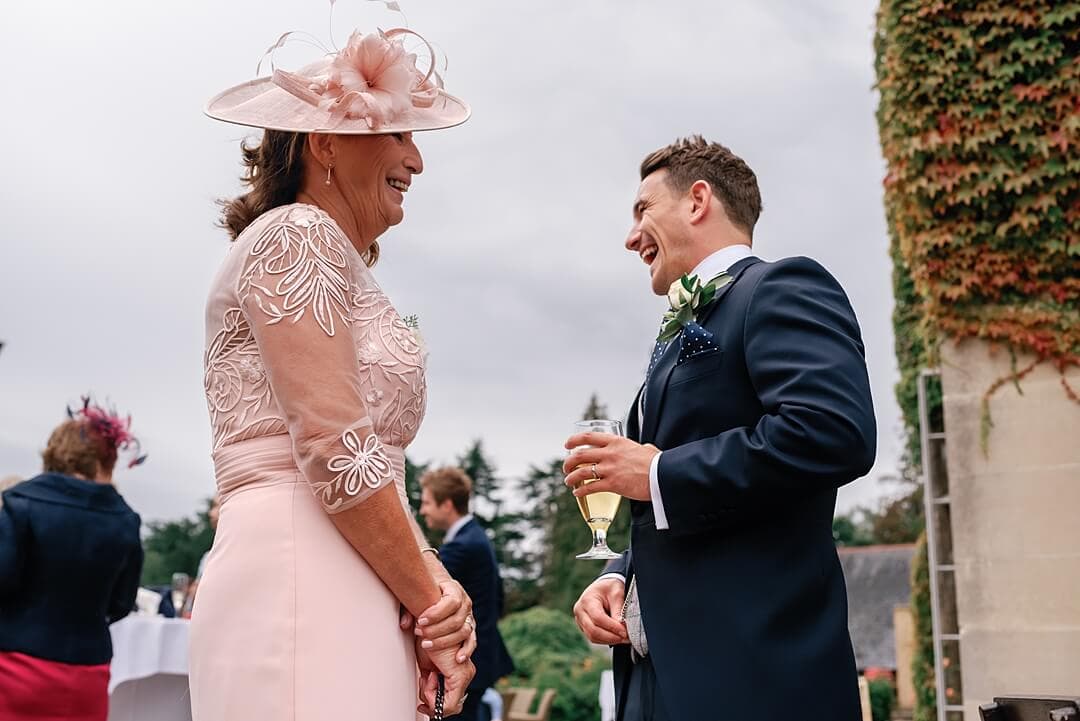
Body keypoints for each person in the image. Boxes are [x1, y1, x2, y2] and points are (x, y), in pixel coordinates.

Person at [192, 16, 476, 721]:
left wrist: (424, 583)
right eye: (400, 133)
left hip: (350, 564)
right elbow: (336, 445)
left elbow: (369, 461)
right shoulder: (298, 233)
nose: (418, 159)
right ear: (325, 142)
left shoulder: (330, 254)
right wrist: (435, 597)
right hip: (302, 567)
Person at [566, 136, 876, 721]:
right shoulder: (680, 330)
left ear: (697, 200)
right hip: (660, 680)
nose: (631, 237)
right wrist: (621, 573)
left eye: (642, 211)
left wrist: (656, 471)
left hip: (755, 676)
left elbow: (833, 431)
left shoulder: (782, 288)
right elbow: (683, 505)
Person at [0, 399, 145, 721]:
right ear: (107, 458)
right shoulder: (125, 520)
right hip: (87, 669)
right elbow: (122, 603)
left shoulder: (19, 505)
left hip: (15, 664)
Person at [419, 468, 515, 721]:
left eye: (427, 503)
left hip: (466, 658)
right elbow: (498, 599)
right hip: (481, 658)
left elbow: (425, 590)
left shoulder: (464, 546)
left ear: (447, 505)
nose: (422, 510)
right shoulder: (477, 537)